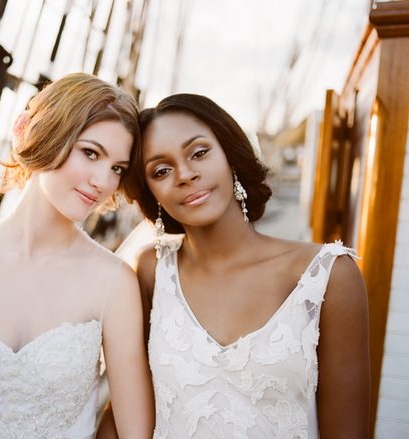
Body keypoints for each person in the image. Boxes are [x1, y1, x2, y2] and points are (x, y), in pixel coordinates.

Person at [0, 73, 154, 439]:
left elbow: (134, 434)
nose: (102, 181)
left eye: (117, 169)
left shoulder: (114, 282)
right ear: (45, 134)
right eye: (91, 153)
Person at [119, 93, 370, 438]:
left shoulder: (328, 276)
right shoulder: (150, 270)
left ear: (230, 155)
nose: (185, 174)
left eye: (199, 153)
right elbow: (124, 410)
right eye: (161, 170)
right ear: (151, 193)